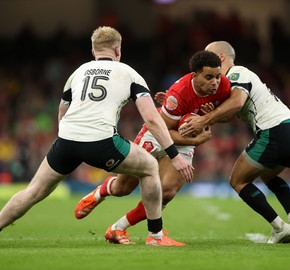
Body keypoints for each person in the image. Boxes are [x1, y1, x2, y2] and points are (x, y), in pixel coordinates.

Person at [0, 26, 194, 248]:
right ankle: (155, 235)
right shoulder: (128, 73)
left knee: (33, 192)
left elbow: (62, 111)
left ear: (93, 51)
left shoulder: (78, 73)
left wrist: (67, 141)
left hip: (66, 141)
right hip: (101, 142)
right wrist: (174, 155)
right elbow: (152, 119)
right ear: (118, 50)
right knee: (149, 168)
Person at [74, 50, 231, 245]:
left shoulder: (224, 86)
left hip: (184, 138)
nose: (215, 82)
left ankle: (119, 228)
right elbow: (165, 132)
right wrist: (196, 140)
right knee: (124, 188)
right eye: (209, 77)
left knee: (166, 192)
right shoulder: (178, 94)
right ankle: (103, 191)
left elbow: (231, 113)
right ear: (195, 75)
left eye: (217, 76)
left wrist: (211, 117)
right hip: (157, 135)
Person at [179, 41, 290, 244]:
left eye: (209, 56)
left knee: (237, 181)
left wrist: (204, 120)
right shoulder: (226, 84)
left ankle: (279, 227)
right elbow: (231, 113)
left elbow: (237, 102)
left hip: (274, 130)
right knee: (268, 175)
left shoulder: (237, 73)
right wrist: (210, 114)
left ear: (221, 57)